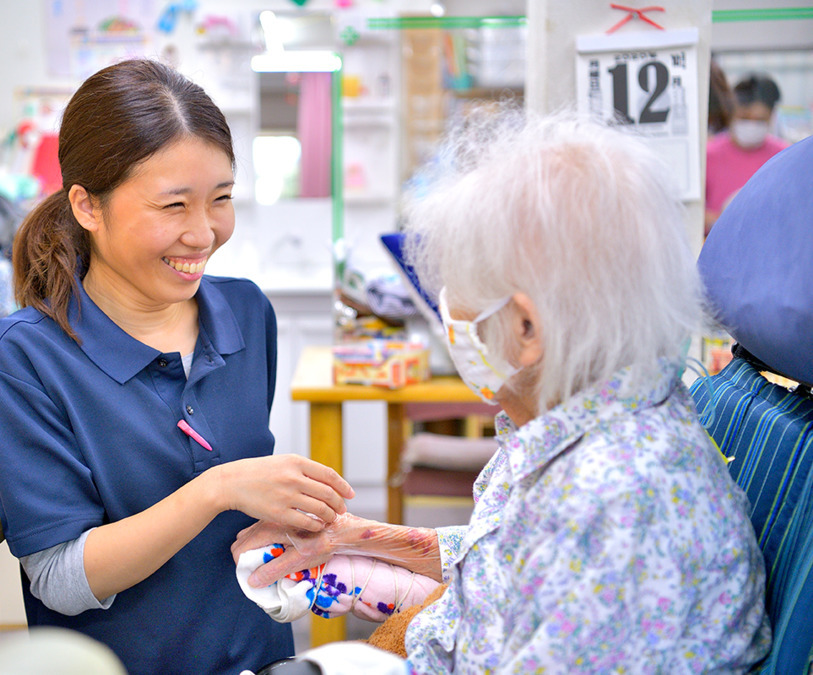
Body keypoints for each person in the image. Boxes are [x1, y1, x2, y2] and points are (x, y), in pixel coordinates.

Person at [234, 111, 771, 673]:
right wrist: (356, 539)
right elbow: (504, 559)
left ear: (525, 329)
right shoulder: (583, 432)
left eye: (454, 292)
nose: (447, 313)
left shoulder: (620, 500)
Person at [0, 58, 355, 675]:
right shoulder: (20, 360)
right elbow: (62, 578)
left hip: (261, 659)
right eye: (173, 206)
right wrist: (218, 489)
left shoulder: (247, 312)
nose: (203, 234)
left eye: (220, 200)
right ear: (88, 206)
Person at [705, 72, 789, 234]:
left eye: (759, 120)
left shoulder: (784, 157)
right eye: (744, 118)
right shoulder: (708, 155)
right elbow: (692, 211)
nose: (751, 125)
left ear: (771, 116)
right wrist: (720, 222)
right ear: (731, 113)